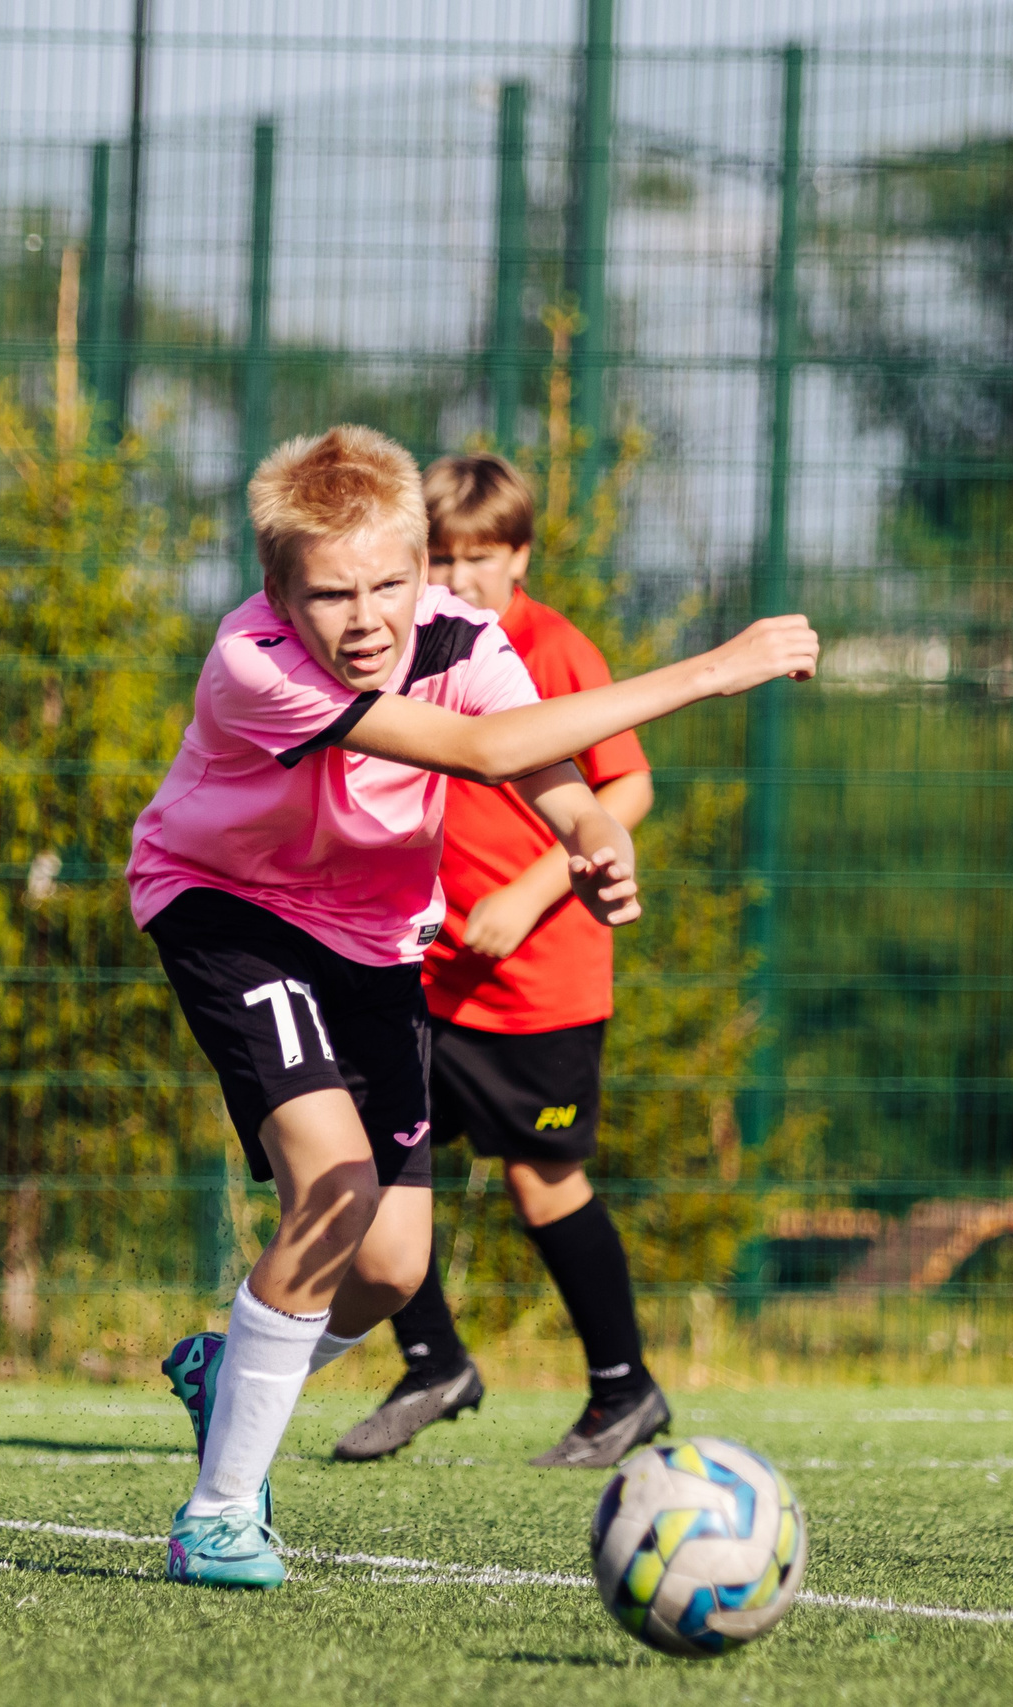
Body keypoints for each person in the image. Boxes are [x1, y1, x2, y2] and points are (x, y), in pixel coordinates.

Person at [131, 425, 814, 1589]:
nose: (364, 618)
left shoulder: (459, 633)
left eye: (388, 583)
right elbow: (486, 748)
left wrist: (594, 837)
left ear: (422, 565)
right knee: (333, 1184)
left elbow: (551, 774)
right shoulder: (251, 663)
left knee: (393, 1267)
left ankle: (232, 1364)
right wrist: (713, 668)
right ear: (277, 594)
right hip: (229, 912)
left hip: (372, 940)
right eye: (330, 593)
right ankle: (217, 1514)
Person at [332, 451, 664, 1470]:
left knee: (541, 1182)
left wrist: (530, 891)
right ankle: (432, 1361)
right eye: (443, 557)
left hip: (535, 982)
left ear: (519, 556)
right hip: (418, 969)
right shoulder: (401, 646)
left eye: (483, 557)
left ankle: (624, 1390)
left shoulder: (554, 649)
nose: (461, 579)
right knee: (371, 1168)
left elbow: (627, 789)